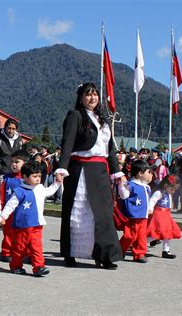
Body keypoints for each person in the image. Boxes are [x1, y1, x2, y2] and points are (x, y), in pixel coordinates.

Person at [56, 82, 124, 269]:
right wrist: (61, 168)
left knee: (103, 215)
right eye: (88, 94)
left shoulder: (103, 120)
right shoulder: (75, 116)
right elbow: (67, 143)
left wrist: (117, 172)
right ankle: (70, 253)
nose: (92, 98)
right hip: (80, 169)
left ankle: (104, 255)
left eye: (95, 94)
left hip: (101, 171)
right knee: (77, 212)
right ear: (80, 97)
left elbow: (110, 150)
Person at [1, 161, 63, 276]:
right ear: (25, 176)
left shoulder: (39, 188)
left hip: (37, 224)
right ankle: (16, 266)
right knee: (20, 248)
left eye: (39, 176)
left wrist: (57, 183)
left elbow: (49, 191)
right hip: (22, 226)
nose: (38, 179)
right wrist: (3, 216)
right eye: (34, 176)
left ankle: (39, 267)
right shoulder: (19, 191)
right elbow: (10, 205)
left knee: (37, 246)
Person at [117, 160, 152, 263]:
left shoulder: (146, 187)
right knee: (130, 235)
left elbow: (148, 200)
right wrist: (121, 185)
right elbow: (124, 195)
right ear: (140, 173)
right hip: (133, 216)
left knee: (141, 236)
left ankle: (139, 254)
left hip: (143, 216)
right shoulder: (131, 184)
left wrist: (150, 208)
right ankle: (119, 250)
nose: (150, 175)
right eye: (148, 172)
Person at [0, 149, 29, 262]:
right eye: (12, 162)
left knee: (25, 233)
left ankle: (27, 252)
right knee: (8, 232)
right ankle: (6, 252)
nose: (14, 164)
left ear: (24, 163)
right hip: (9, 212)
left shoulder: (28, 179)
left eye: (17, 162)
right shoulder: (7, 178)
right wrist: (0, 209)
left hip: (23, 211)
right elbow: (1, 194)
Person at [146, 175, 181, 259]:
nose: (173, 192)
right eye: (172, 189)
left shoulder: (167, 193)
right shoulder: (159, 192)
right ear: (165, 185)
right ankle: (140, 242)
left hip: (166, 216)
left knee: (168, 233)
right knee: (155, 234)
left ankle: (166, 250)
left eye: (175, 190)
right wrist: (150, 208)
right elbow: (152, 200)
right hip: (159, 215)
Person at [0, 118, 23, 184]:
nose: (11, 131)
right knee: (1, 193)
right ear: (5, 128)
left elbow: (21, 157)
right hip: (1, 173)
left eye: (13, 129)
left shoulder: (19, 140)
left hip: (15, 173)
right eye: (9, 128)